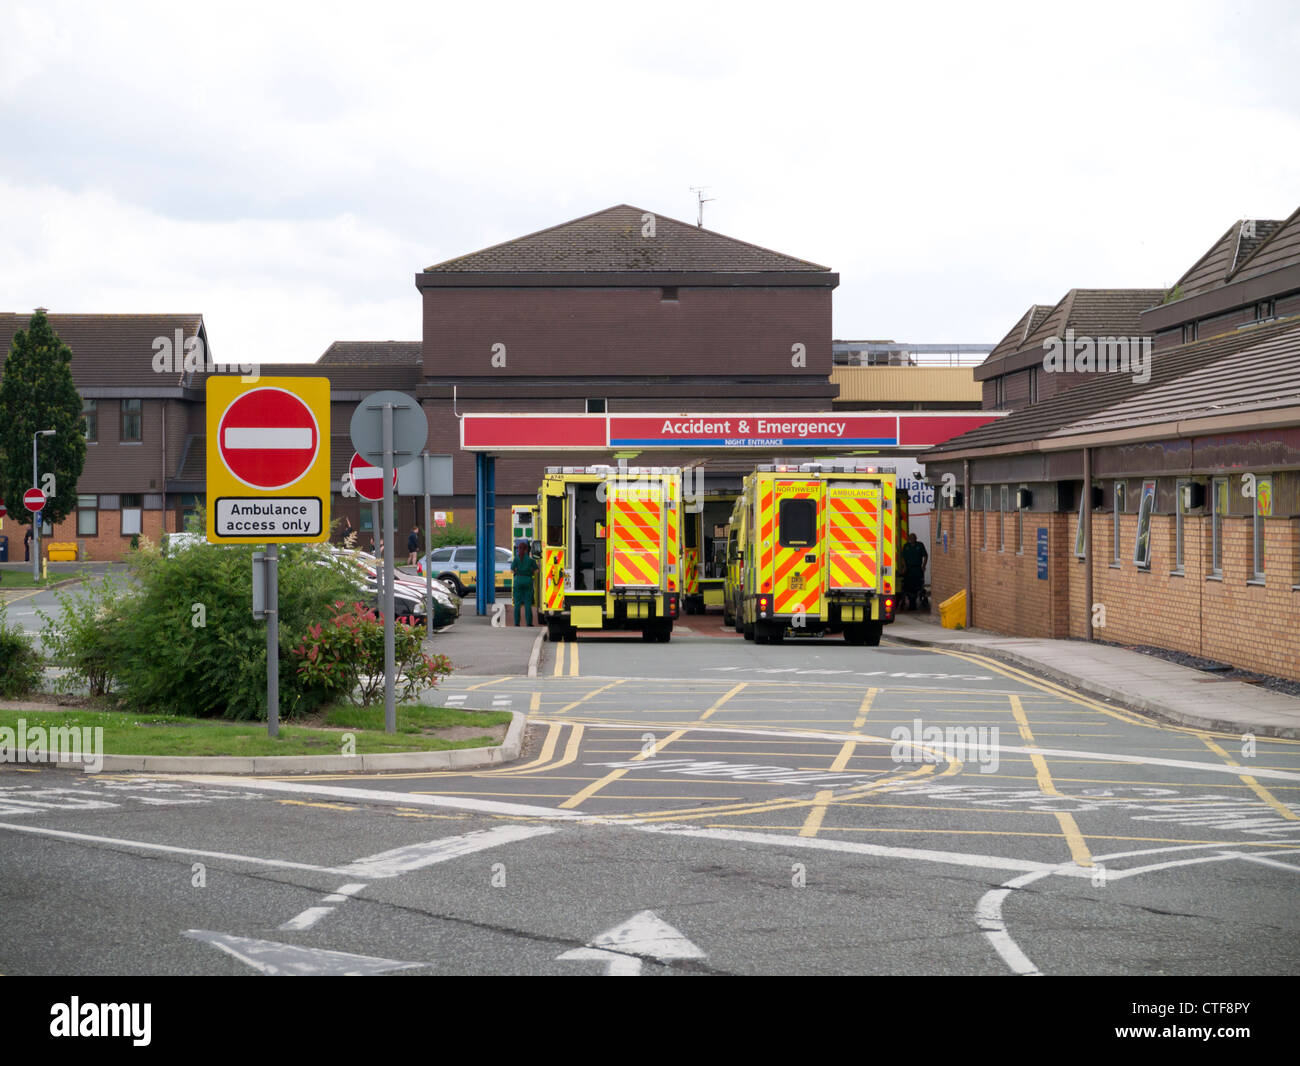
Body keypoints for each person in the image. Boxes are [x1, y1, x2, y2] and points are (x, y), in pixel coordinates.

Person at [510, 540, 539, 626]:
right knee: (527, 603)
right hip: (528, 581)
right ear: (526, 550)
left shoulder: (516, 558)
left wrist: (517, 571)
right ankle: (529, 623)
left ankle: (516, 623)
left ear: (519, 549)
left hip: (518, 580)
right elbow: (537, 570)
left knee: (517, 604)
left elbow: (511, 571)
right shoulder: (530, 560)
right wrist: (531, 572)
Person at [901, 532, 928, 611]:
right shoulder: (906, 546)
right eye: (910, 538)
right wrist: (904, 567)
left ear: (916, 538)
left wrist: (923, 565)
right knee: (908, 586)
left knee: (918, 585)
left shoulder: (920, 545)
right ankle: (910, 603)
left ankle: (918, 599)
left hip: (917, 569)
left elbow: (925, 555)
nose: (912, 540)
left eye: (913, 538)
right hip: (909, 569)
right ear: (909, 539)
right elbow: (903, 557)